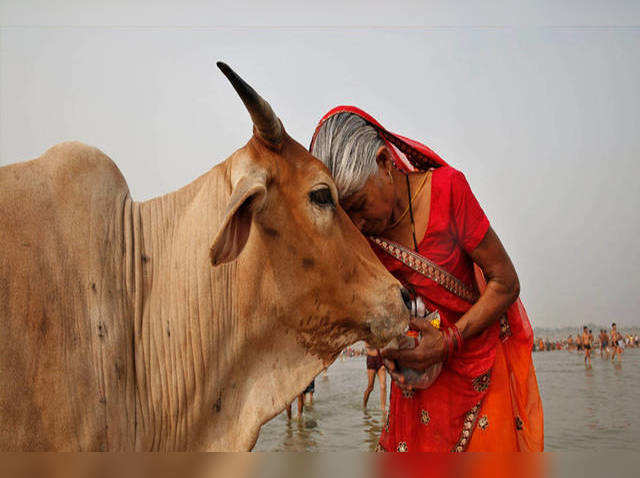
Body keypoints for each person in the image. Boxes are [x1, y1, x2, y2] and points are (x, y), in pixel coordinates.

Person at [310, 106, 543, 452]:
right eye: (347, 216)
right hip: (417, 386)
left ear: (385, 163)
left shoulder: (449, 193)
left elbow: (505, 282)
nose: (357, 224)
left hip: (478, 367)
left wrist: (447, 342)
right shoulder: (364, 241)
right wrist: (393, 349)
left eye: (359, 205)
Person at [363, 342, 387, 412]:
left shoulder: (381, 332)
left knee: (383, 386)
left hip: (381, 358)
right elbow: (367, 345)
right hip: (371, 359)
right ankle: (364, 406)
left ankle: (383, 409)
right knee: (370, 387)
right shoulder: (368, 332)